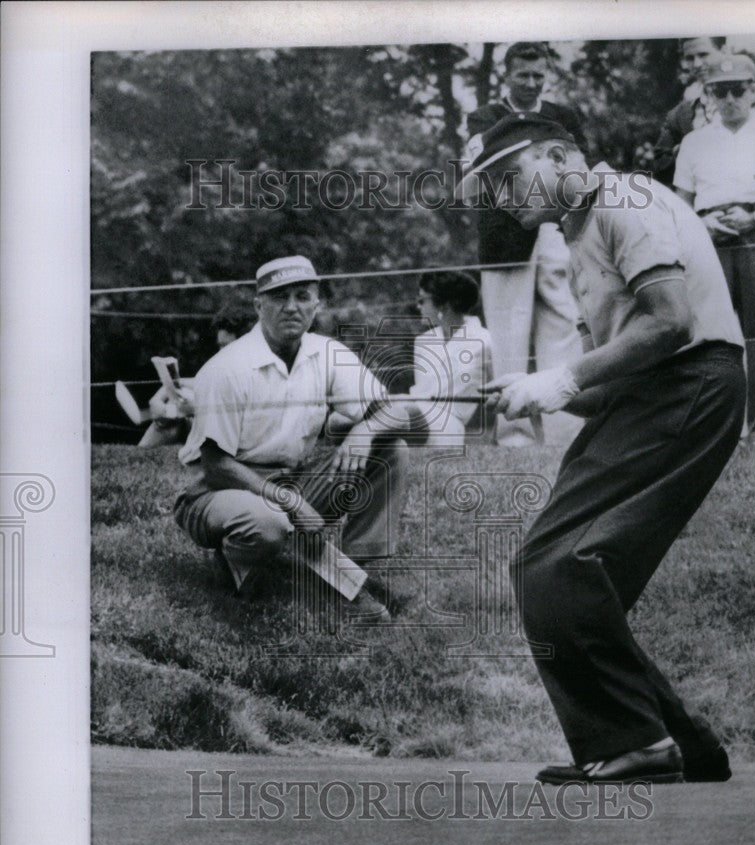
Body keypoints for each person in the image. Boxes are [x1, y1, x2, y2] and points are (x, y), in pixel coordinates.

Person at [458, 113, 745, 784]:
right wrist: (529, 389)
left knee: (559, 564)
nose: (503, 198)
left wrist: (560, 378)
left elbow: (670, 323)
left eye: (510, 176)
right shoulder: (576, 231)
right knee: (562, 572)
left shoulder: (625, 199)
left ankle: (635, 743)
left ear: (561, 156)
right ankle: (675, 743)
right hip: (652, 393)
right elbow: (608, 370)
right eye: (492, 188)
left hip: (690, 384)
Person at [173, 255, 410, 619]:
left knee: (390, 449)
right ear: (258, 305)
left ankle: (355, 572)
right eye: (279, 297)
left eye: (302, 296)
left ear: (317, 305)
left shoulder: (326, 352)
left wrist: (365, 429)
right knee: (268, 525)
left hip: (293, 478)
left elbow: (397, 413)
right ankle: (238, 561)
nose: (291, 307)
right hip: (221, 490)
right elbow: (216, 465)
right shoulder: (227, 367)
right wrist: (294, 504)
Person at [466, 42, 584, 448]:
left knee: (563, 319)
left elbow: (574, 166)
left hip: (554, 226)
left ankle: (565, 425)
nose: (532, 83)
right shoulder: (484, 117)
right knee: (508, 330)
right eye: (523, 75)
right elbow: (485, 174)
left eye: (539, 75)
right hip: (505, 233)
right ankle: (514, 431)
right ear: (507, 75)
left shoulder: (563, 116)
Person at [674, 54, 755, 444]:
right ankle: (714, 429)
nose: (730, 100)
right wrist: (700, 225)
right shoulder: (694, 142)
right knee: (711, 335)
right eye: (720, 92)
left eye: (738, 90)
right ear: (708, 94)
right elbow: (680, 202)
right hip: (710, 238)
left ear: (753, 89)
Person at [652, 37, 755, 185]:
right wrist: (682, 152)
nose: (696, 64)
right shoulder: (679, 113)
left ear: (724, 51)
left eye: (703, 55)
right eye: (689, 58)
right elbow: (659, 163)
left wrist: (687, 148)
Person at [406, 271, 493, 447]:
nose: (418, 306)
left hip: (447, 425)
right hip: (414, 416)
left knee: (390, 413)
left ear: (443, 306)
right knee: (338, 421)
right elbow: (420, 394)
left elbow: (500, 393)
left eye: (422, 300)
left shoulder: (484, 341)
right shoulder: (422, 342)